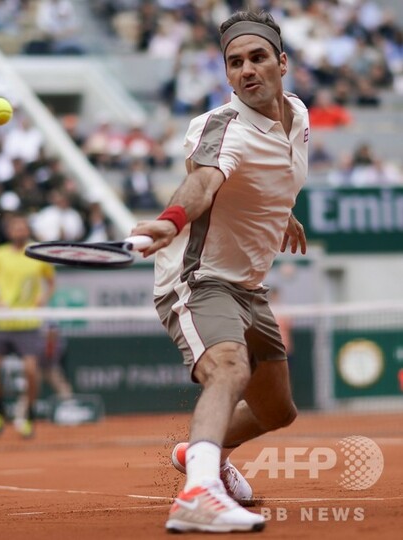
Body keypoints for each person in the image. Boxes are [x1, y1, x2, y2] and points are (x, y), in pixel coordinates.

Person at [130, 11, 308, 534]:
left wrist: (282, 212)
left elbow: (270, 173)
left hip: (247, 286)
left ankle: (202, 453)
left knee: (278, 410)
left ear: (282, 62)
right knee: (228, 369)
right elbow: (204, 182)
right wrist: (170, 221)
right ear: (226, 73)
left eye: (257, 58)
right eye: (235, 63)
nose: (247, 70)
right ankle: (199, 494)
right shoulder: (220, 128)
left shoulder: (297, 115)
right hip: (197, 278)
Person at [0, 214, 55, 439]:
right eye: (15, 228)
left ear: (27, 230)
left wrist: (43, 297)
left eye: (22, 227)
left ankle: (29, 415)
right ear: (9, 232)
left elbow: (51, 282)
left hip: (29, 323)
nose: (19, 231)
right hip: (4, 324)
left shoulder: (37, 253)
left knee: (31, 370)